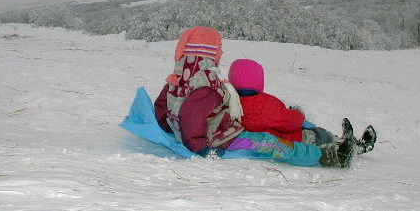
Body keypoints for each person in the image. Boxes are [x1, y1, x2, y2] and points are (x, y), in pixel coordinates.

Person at [154, 27, 360, 167]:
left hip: (213, 134)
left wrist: (167, 126)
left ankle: (329, 147)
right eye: (218, 48)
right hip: (224, 139)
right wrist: (201, 148)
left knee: (271, 140)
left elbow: (163, 105)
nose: (221, 52)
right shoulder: (205, 84)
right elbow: (192, 117)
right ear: (207, 52)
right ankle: (327, 158)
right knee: (271, 143)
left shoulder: (179, 77)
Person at [228, 58, 377, 167]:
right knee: (321, 135)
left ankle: (343, 140)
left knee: (318, 135)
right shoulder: (265, 103)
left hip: (273, 140)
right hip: (294, 138)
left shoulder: (230, 103)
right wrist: (298, 113)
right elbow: (289, 121)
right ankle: (355, 147)